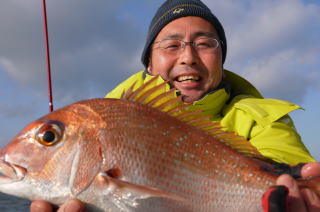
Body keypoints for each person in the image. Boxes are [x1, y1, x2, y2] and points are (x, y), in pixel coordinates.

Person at [30, 0, 320, 211]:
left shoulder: (263, 118)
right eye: (171, 45)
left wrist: (291, 183)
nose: (188, 57)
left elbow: (286, 163)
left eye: (205, 43)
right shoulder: (106, 118)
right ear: (149, 62)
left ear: (221, 59)